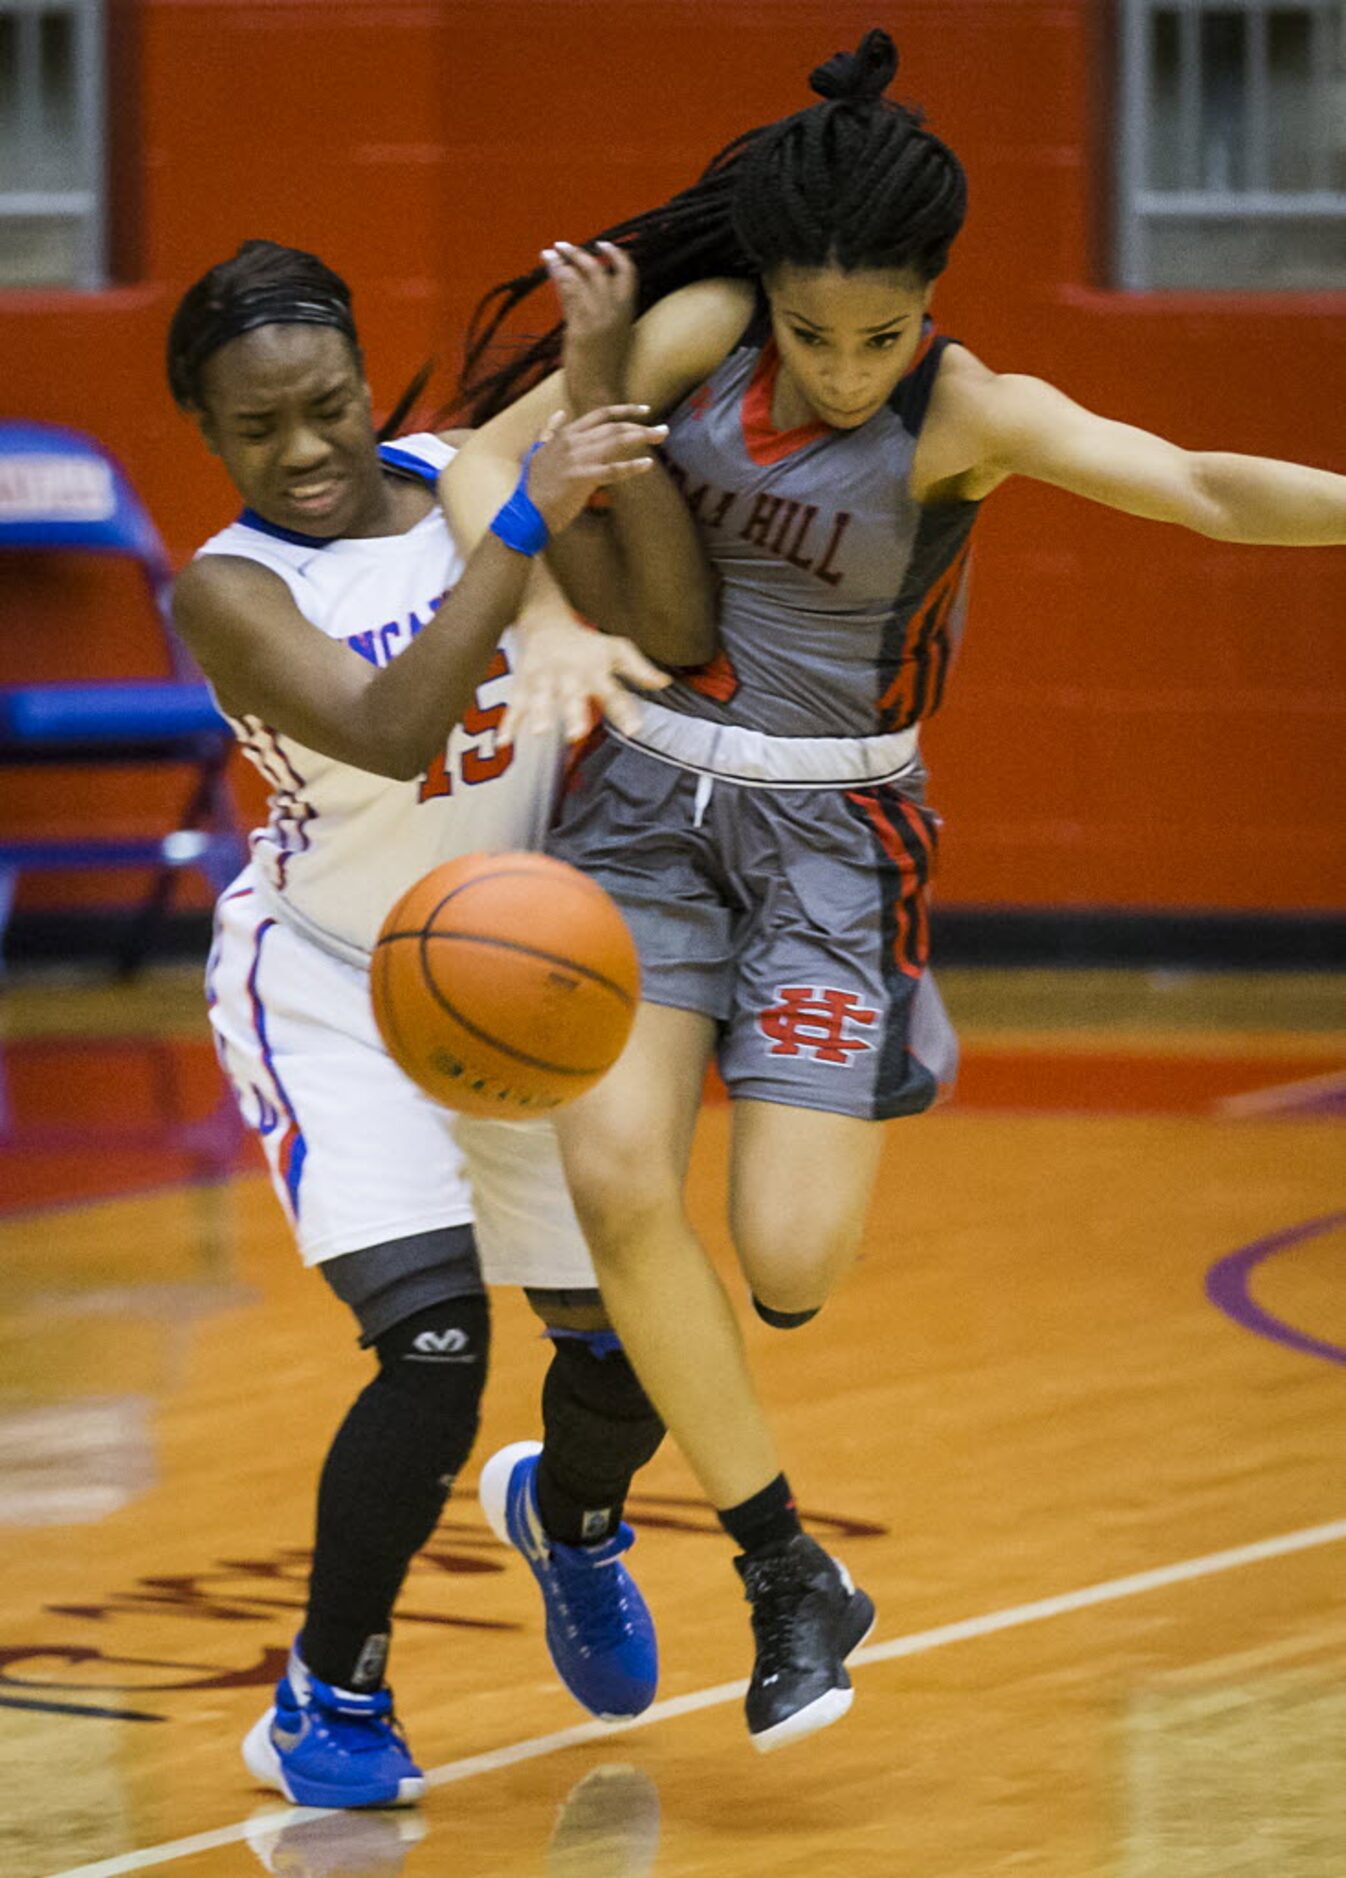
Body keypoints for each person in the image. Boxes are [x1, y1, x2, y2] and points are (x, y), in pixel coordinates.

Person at [445, 27, 1346, 1755]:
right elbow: (491, 461)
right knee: (618, 1177)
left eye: (882, 335)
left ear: (931, 300)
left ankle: (859, 1042)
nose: (847, 372)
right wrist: (546, 608)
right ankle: (788, 1572)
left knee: (788, 1267)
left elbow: (1205, 488)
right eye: (813, 331)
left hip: (831, 851)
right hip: (636, 807)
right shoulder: (693, 338)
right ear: (762, 291)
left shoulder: (970, 415)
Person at [166, 238, 718, 1807]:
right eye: (258, 429)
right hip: (336, 979)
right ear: (208, 436)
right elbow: (396, 731)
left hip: (523, 973)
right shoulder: (228, 585)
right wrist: (526, 527)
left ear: (362, 374)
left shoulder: (458, 471)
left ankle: (574, 1517)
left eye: (327, 404)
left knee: (623, 1347)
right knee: (431, 1346)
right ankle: (327, 1698)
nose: (306, 450)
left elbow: (669, 346)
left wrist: (604, 356)